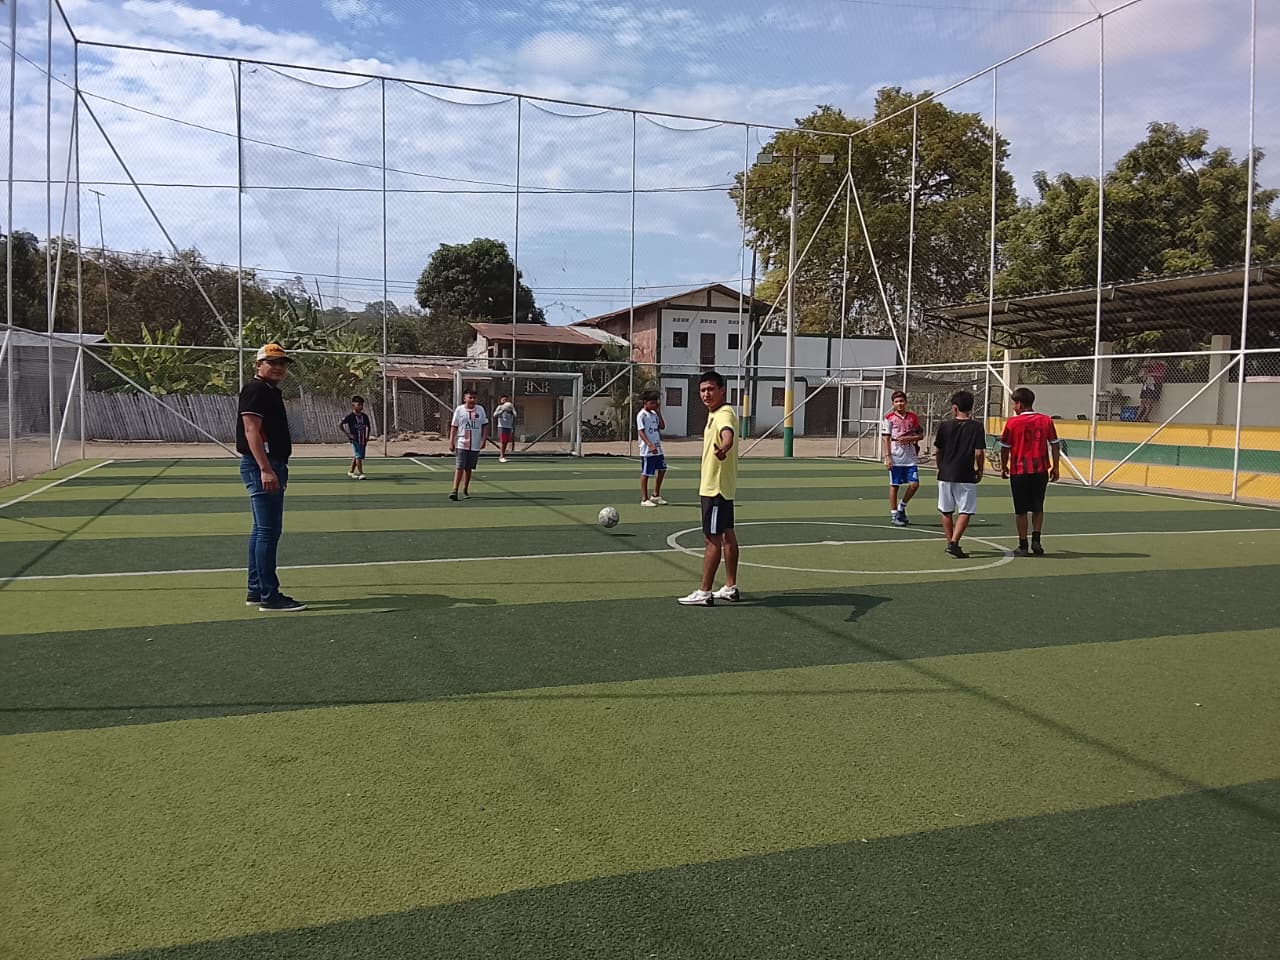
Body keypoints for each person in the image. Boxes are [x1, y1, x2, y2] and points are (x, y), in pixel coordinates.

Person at [236, 343, 305, 612]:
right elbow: (251, 431)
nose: (278, 367)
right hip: (263, 465)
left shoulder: (268, 390)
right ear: (258, 365)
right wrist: (265, 468)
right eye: (272, 362)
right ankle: (269, 595)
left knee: (261, 531)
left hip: (268, 464)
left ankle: (256, 589)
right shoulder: (256, 390)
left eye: (282, 363)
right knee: (268, 531)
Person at [678, 370, 740, 606]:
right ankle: (730, 587)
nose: (706, 394)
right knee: (727, 535)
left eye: (711, 389)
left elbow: (727, 435)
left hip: (715, 488)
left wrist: (724, 447)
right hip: (722, 487)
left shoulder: (723, 413)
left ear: (722, 391)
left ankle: (704, 592)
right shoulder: (716, 413)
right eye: (703, 390)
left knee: (712, 539)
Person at [999, 386, 1061, 557]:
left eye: (1014, 404)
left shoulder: (1012, 423)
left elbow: (1004, 448)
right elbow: (1055, 444)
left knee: (1020, 510)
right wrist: (1056, 466)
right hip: (1040, 470)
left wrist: (1003, 466)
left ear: (1019, 404)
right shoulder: (1046, 420)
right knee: (1038, 507)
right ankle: (1036, 541)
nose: (1013, 407)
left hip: (1019, 471)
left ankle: (1023, 545)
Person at [933, 389, 987, 559]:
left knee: (946, 510)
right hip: (965, 473)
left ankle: (950, 542)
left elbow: (938, 451)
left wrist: (939, 467)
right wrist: (980, 469)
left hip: (945, 473)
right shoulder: (976, 427)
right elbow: (979, 452)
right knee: (966, 510)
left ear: (955, 408)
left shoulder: (944, 426)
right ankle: (954, 543)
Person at [882, 390, 924, 526]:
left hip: (910, 456)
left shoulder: (912, 417)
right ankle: (894, 514)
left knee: (914, 484)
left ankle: (902, 507)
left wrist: (909, 438)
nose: (899, 404)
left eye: (901, 401)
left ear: (905, 402)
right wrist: (888, 457)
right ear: (893, 403)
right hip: (895, 455)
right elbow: (886, 438)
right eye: (896, 401)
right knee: (895, 485)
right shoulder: (889, 418)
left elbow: (920, 435)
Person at [448, 389, 488, 501]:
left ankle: (465, 489)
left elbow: (485, 425)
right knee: (459, 466)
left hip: (474, 444)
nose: (472, 400)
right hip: (462, 443)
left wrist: (483, 440)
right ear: (465, 398)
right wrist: (451, 441)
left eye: (474, 397)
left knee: (469, 468)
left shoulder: (480, 409)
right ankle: (454, 490)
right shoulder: (459, 410)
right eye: (470, 397)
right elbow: (454, 426)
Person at [636, 389, 667, 506]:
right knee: (646, 473)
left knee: (662, 469)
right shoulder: (642, 415)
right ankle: (644, 499)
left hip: (658, 449)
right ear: (645, 402)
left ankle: (655, 495)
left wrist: (658, 413)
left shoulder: (654, 414)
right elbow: (641, 432)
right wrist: (649, 444)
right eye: (652, 403)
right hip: (647, 450)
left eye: (656, 403)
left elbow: (662, 426)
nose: (655, 405)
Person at [339, 395, 373, 479]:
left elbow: (368, 427)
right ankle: (361, 473)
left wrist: (367, 437)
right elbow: (340, 424)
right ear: (353, 405)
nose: (360, 406)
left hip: (363, 439)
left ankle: (351, 471)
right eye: (358, 404)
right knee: (359, 456)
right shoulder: (350, 416)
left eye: (361, 404)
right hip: (355, 439)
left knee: (358, 455)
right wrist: (348, 434)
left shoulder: (364, 416)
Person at [1138, 357, 1166, 421]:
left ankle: (1144, 417)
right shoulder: (1148, 366)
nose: (1151, 362)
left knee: (1149, 401)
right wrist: (1144, 366)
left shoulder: (1160, 365)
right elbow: (1140, 375)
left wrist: (1150, 374)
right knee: (1143, 401)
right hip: (1147, 384)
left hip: (1155, 384)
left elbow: (1161, 374)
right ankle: (1137, 417)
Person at [493, 394, 517, 462]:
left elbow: (515, 414)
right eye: (503, 400)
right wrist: (502, 410)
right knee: (503, 442)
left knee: (506, 442)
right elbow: (494, 415)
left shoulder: (511, 407)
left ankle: (503, 456)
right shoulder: (500, 407)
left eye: (506, 400)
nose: (504, 401)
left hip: (508, 426)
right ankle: (501, 456)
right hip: (502, 426)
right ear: (501, 400)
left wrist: (511, 411)